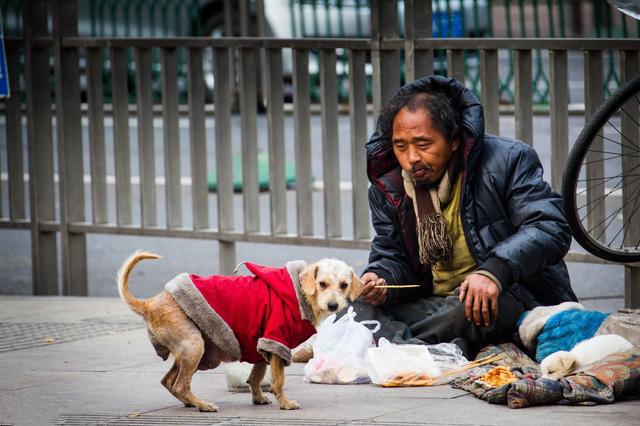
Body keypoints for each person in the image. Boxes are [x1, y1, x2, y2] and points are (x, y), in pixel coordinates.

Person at [355, 75, 578, 356]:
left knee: (467, 310)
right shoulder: (390, 187)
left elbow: (549, 227)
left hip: (507, 294)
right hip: (434, 303)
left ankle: (394, 346)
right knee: (354, 307)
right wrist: (381, 279)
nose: (411, 158)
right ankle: (424, 347)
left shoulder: (508, 159)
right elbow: (391, 255)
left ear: (454, 140)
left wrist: (494, 271)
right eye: (401, 146)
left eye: (423, 145)